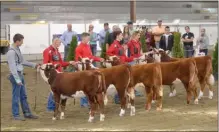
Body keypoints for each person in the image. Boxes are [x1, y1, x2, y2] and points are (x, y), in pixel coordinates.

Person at [7, 33, 40, 121]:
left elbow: (22, 61)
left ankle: (27, 113)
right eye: (21, 41)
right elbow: (12, 67)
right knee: (16, 96)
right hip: (16, 76)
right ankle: (16, 115)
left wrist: (34, 64)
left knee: (23, 96)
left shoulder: (17, 49)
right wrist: (17, 79)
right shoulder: (11, 52)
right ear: (17, 41)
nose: (22, 43)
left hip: (20, 74)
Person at [43, 38, 76, 112]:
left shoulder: (57, 51)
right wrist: (55, 66)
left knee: (56, 90)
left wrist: (69, 63)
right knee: (54, 91)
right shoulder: (47, 51)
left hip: (59, 74)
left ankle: (53, 106)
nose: (60, 44)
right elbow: (45, 64)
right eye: (59, 43)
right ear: (55, 42)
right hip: (53, 75)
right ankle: (50, 107)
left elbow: (61, 63)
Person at [75, 32, 104, 107]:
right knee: (83, 87)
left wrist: (98, 59)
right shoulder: (79, 48)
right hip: (83, 71)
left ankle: (88, 101)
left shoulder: (88, 46)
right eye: (88, 38)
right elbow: (78, 60)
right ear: (83, 38)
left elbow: (91, 56)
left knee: (89, 86)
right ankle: (83, 102)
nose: (89, 39)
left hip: (89, 69)